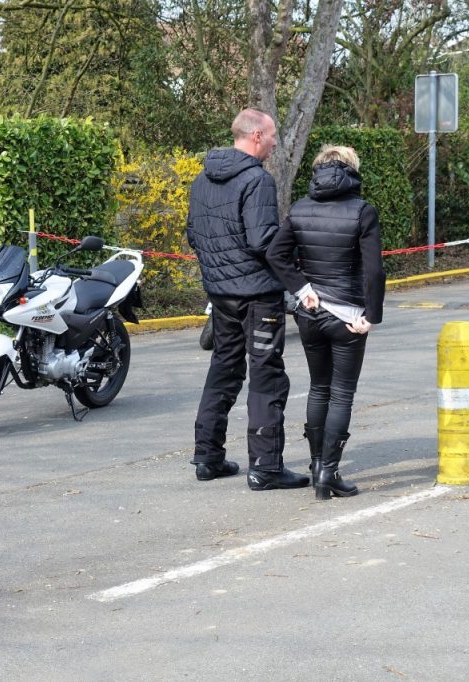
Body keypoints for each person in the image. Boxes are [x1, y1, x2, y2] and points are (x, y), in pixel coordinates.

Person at [185, 108, 309, 491]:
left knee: (224, 368)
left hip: (220, 293)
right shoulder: (258, 180)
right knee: (267, 375)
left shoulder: (201, 179)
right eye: (272, 136)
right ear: (256, 135)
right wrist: (295, 249)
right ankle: (266, 467)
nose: (275, 143)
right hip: (258, 296)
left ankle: (207, 457)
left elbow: (193, 234)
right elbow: (262, 240)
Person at [266, 144, 385, 500]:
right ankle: (328, 474)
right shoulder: (363, 211)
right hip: (348, 315)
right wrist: (371, 316)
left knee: (319, 388)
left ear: (318, 171)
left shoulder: (300, 208)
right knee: (342, 394)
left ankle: (318, 465)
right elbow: (374, 270)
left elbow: (275, 254)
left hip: (310, 313)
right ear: (352, 171)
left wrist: (302, 289)